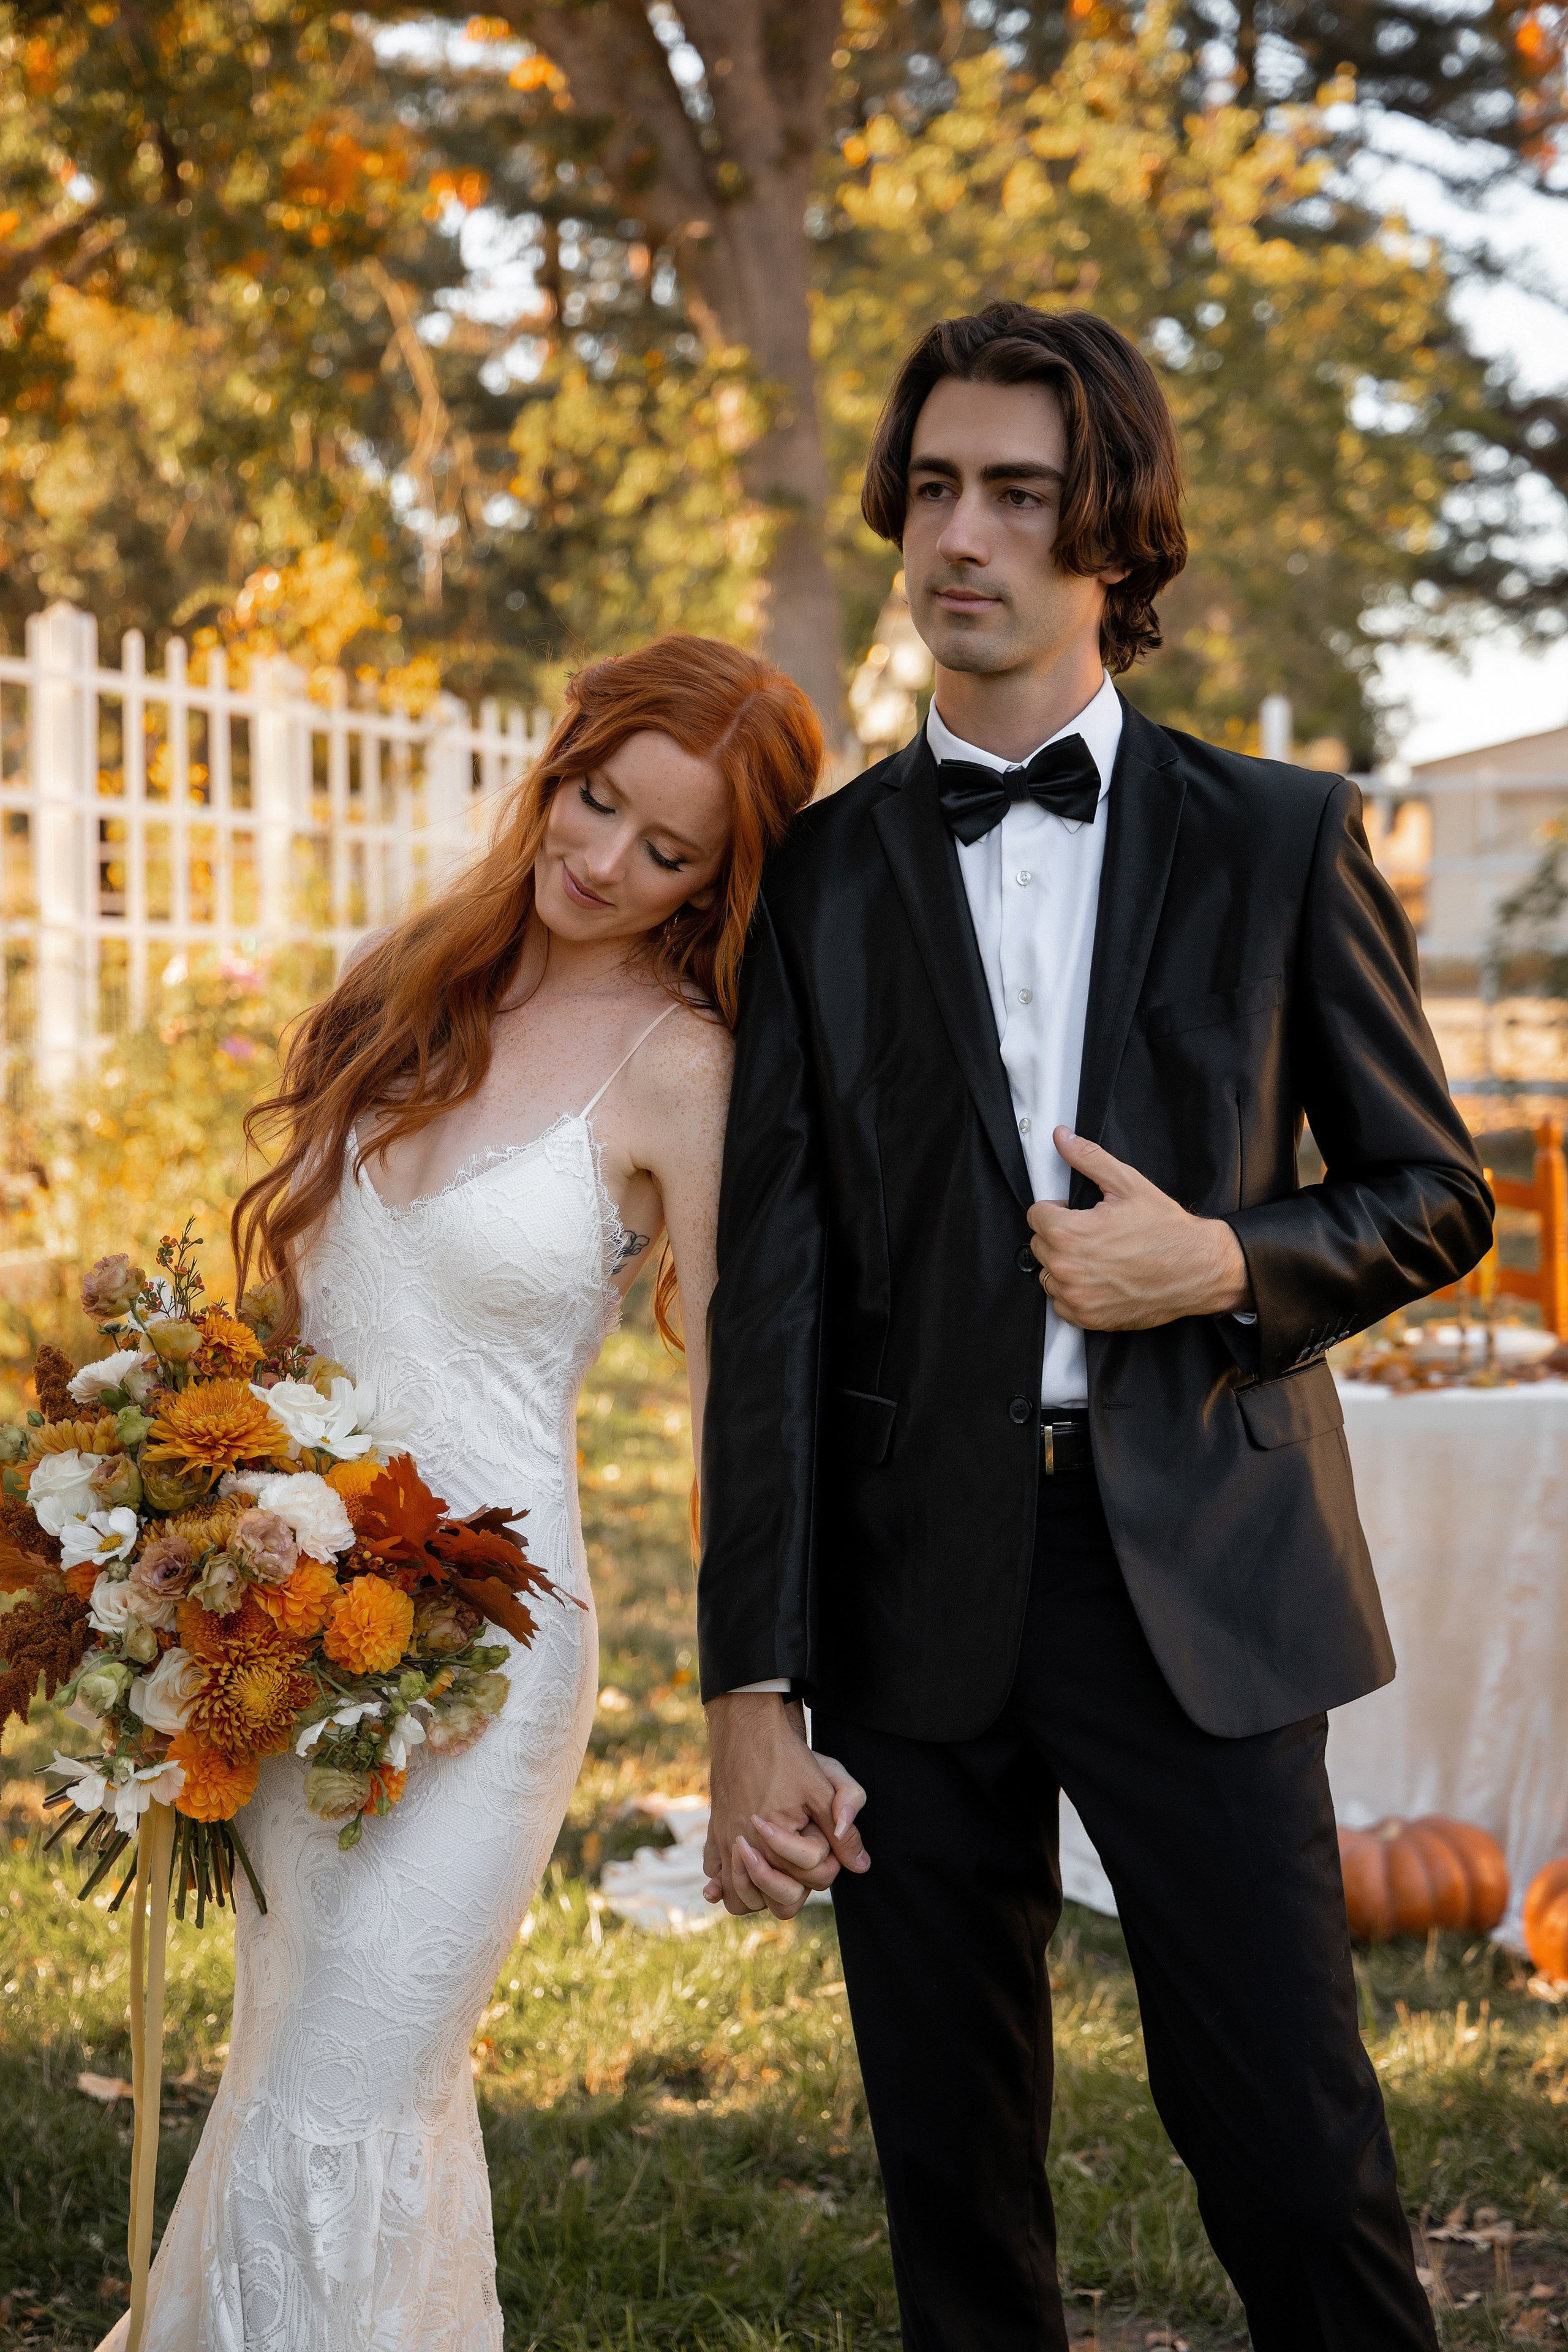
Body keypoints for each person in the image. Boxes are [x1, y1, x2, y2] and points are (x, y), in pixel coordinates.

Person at [696, 303, 1493, 2351]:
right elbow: (772, 1303)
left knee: (1295, 2153)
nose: (961, 535)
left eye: (1020, 497)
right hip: (908, 1594)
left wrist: (1217, 1264)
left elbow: (1433, 1197)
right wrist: (749, 1686)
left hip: (1202, 1578)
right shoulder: (818, 878)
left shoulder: (1283, 838)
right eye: (937, 488)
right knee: (950, 2180)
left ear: (1113, 541)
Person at [96, 635, 823, 2352]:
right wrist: (166, 1536)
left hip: (486, 1659)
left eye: (670, 853)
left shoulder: (685, 1067)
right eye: (599, 802)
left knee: (355, 2073)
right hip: (289, 1620)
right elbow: (292, 1325)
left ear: (721, 883)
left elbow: (740, 1405)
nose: (606, 862)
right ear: (561, 763)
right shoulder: (405, 975)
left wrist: (759, 1696)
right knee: (289, 2064)